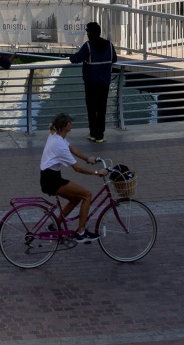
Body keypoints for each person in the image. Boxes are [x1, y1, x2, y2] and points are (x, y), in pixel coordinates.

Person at [39, 113, 105, 242]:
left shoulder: (56, 136)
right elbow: (77, 169)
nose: (72, 124)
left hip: (50, 177)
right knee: (87, 195)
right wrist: (97, 173)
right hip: (52, 181)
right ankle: (81, 232)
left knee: (75, 199)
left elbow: (72, 149)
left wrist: (88, 158)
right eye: (70, 122)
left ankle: (54, 226)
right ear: (65, 125)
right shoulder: (59, 144)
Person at [69, 21, 117, 143]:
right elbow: (114, 59)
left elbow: (76, 59)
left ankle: (93, 134)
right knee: (102, 109)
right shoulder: (109, 45)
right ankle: (100, 135)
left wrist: (71, 57)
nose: (86, 33)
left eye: (87, 31)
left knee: (91, 108)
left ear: (91, 33)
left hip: (91, 83)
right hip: (105, 82)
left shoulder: (88, 46)